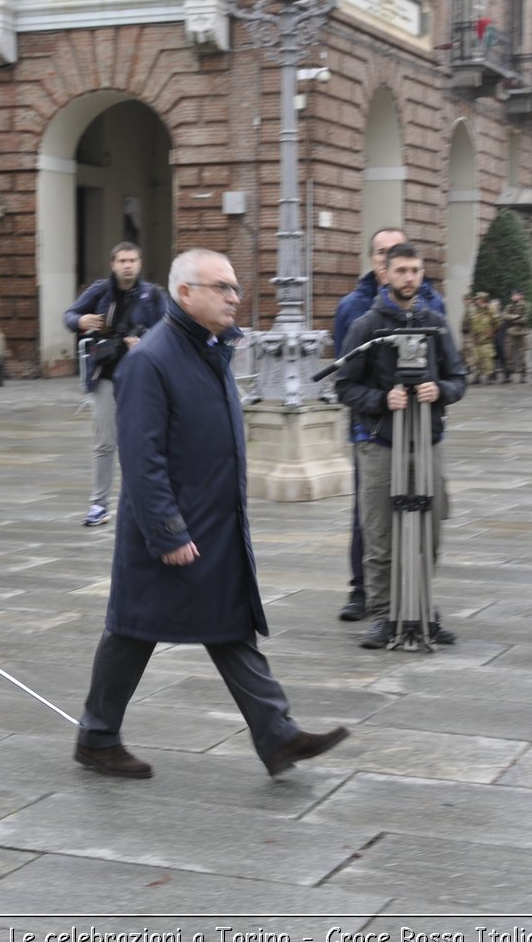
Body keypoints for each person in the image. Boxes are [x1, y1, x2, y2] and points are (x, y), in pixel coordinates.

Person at [73, 248, 348, 779]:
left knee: (228, 627)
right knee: (132, 630)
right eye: (220, 287)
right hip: (170, 529)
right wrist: (168, 530)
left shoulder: (208, 348)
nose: (233, 297)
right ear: (185, 294)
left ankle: (276, 735)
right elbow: (141, 457)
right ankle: (98, 737)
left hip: (213, 524)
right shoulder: (151, 360)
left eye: (235, 288)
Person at [335, 242, 467, 649]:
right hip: (379, 443)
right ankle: (382, 615)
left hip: (427, 440)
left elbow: (459, 378)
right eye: (402, 271)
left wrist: (439, 390)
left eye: (415, 270)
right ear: (385, 275)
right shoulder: (366, 325)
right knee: (379, 535)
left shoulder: (435, 323)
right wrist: (381, 400)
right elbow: (344, 386)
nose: (409, 277)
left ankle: (423, 609)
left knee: (430, 532)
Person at [64, 242, 167, 527]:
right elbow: (69, 316)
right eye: (122, 260)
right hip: (105, 375)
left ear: (140, 263)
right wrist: (81, 320)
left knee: (141, 443)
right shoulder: (100, 290)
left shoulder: (153, 295)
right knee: (104, 443)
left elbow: (169, 329)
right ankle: (99, 504)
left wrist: (145, 341)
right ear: (113, 264)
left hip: (141, 379)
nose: (127, 265)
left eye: (132, 260)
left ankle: (142, 503)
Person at [333, 228, 401, 622]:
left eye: (395, 252)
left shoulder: (429, 301)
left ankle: (409, 589)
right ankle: (362, 590)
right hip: (370, 427)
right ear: (374, 259)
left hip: (419, 428)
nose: (388, 259)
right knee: (368, 510)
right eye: (381, 252)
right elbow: (347, 374)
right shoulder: (353, 307)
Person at [463, 293, 497, 384]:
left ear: (482, 299)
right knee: (476, 358)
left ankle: (488, 376)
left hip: (486, 338)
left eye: (478, 299)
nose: (476, 300)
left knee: (487, 358)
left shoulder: (490, 310)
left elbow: (497, 322)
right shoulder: (475, 310)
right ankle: (477, 376)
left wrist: (491, 331)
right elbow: (471, 323)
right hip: (476, 338)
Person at [500, 290, 529, 383]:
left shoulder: (526, 306)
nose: (513, 297)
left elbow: (527, 318)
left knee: (522, 355)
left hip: (522, 333)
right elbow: (504, 315)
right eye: (512, 295)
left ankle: (523, 376)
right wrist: (515, 317)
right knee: (508, 355)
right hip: (510, 333)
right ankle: (507, 376)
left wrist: (514, 320)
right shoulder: (509, 306)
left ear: (520, 296)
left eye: (515, 295)